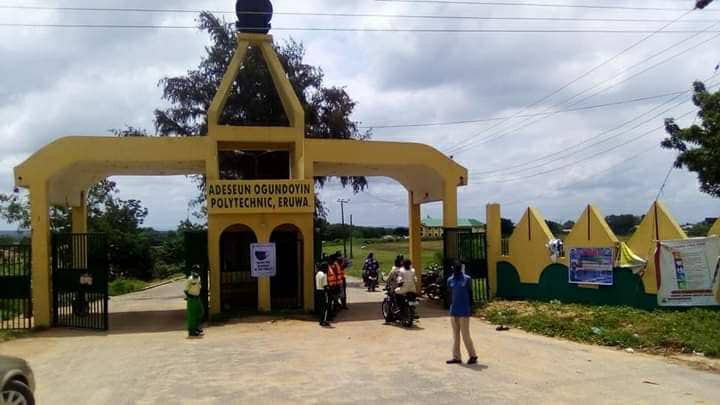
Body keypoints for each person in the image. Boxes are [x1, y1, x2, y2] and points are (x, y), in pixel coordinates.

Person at [446, 261, 478, 365]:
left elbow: (470, 293)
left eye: (457, 269)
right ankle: (456, 357)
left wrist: (471, 308)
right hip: (454, 311)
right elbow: (450, 294)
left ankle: (473, 355)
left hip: (464, 311)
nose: (456, 271)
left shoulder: (467, 279)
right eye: (454, 269)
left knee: (465, 335)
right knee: (455, 336)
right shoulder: (450, 280)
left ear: (460, 269)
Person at [185, 265, 204, 337]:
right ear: (193, 271)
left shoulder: (199, 278)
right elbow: (185, 290)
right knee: (192, 315)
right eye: (196, 270)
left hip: (198, 298)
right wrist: (190, 297)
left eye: (198, 270)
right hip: (192, 299)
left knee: (201, 312)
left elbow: (199, 287)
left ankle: (196, 327)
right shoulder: (190, 279)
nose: (197, 272)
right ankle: (191, 331)